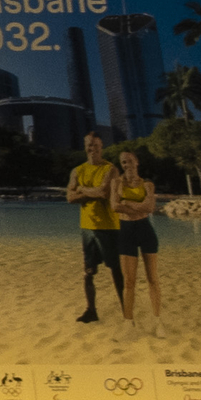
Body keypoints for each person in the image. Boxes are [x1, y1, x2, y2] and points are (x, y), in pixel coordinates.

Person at [68, 130, 130, 324]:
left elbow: (104, 192)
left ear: (101, 147)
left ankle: (127, 312)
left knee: (116, 270)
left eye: (95, 145)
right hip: (87, 228)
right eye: (88, 145)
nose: (91, 148)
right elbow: (69, 197)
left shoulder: (111, 169)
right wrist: (88, 193)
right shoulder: (77, 170)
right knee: (88, 272)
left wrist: (82, 190)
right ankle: (91, 311)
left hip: (109, 226)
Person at [111, 151, 166, 325]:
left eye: (129, 161)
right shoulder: (116, 183)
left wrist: (127, 203)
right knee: (129, 281)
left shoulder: (148, 185)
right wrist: (137, 207)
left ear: (137, 162)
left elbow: (150, 207)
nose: (126, 165)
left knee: (152, 279)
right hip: (126, 231)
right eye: (123, 162)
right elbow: (114, 206)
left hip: (145, 230)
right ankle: (129, 322)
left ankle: (157, 321)